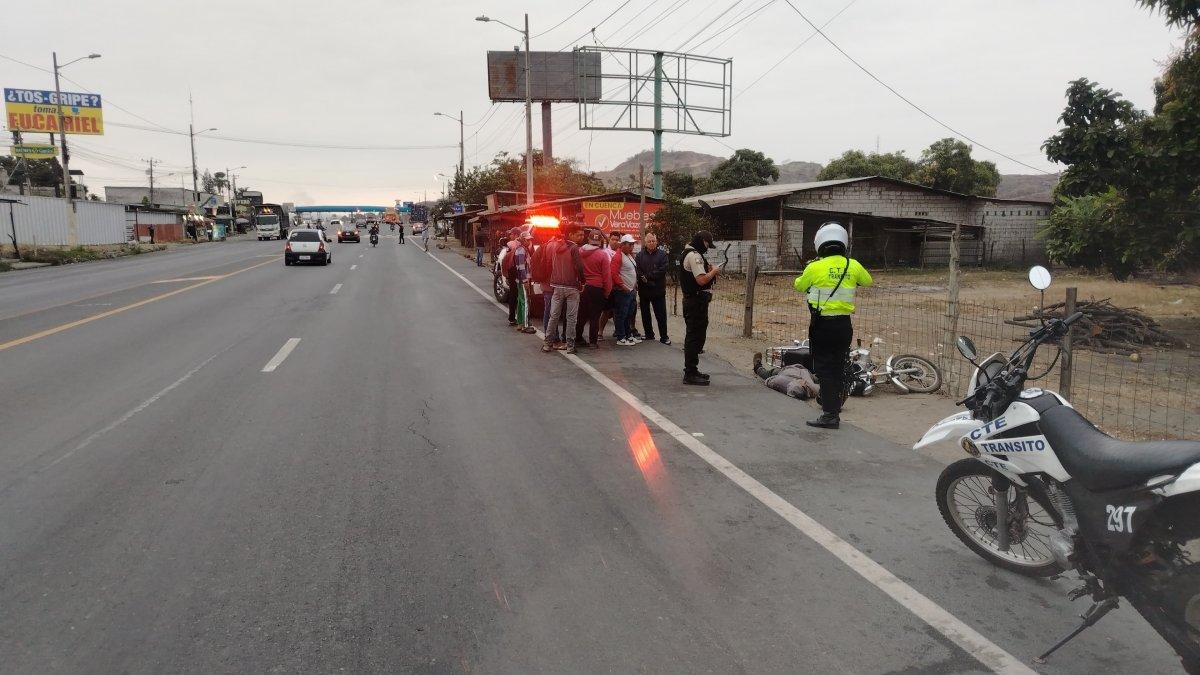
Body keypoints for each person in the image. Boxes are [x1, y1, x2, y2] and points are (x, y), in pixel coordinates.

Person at [793, 221, 873, 429]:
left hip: (822, 326)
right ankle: (834, 408)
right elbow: (867, 281)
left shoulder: (814, 267)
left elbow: (799, 285)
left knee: (825, 369)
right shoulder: (852, 265)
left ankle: (829, 415)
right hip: (844, 326)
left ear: (820, 242)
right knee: (838, 367)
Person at [679, 230, 720, 385]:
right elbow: (701, 280)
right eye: (708, 244)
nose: (707, 248)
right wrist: (714, 271)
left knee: (696, 335)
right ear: (702, 241)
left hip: (694, 301)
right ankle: (689, 373)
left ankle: (693, 369)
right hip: (695, 302)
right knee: (694, 337)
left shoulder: (688, 252)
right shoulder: (694, 255)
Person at [542, 226, 586, 355]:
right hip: (571, 286)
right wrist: (582, 281)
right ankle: (570, 345)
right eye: (578, 235)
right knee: (571, 317)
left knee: (554, 316)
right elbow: (579, 267)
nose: (581, 237)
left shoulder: (556, 246)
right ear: (570, 234)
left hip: (557, 286)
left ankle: (547, 343)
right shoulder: (574, 248)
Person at [576, 229, 611, 348]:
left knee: (581, 315)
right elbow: (606, 276)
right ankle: (593, 342)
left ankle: (578, 338)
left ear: (588, 239)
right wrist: (607, 291)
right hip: (597, 288)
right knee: (594, 316)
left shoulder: (579, 251)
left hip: (582, 287)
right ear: (600, 241)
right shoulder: (603, 255)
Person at [635, 232, 670, 344]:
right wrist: (643, 277)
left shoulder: (662, 255)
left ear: (656, 242)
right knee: (645, 314)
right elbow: (638, 270)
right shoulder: (639, 255)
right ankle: (649, 334)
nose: (651, 243)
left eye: (653, 241)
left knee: (661, 315)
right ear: (645, 243)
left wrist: (648, 277)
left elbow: (662, 270)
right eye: (649, 241)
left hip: (658, 289)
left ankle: (664, 337)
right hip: (644, 289)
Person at [609, 234, 640, 346]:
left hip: (630, 290)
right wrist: (622, 286)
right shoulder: (618, 256)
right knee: (621, 314)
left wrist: (634, 284)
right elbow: (614, 273)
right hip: (623, 291)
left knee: (628, 314)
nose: (632, 246)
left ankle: (628, 335)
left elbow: (632, 271)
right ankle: (621, 337)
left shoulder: (629, 255)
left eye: (632, 244)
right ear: (623, 245)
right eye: (630, 244)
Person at [513, 228, 537, 334]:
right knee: (525, 302)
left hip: (520, 279)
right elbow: (522, 267)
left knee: (520, 300)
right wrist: (525, 280)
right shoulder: (521, 250)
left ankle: (520, 323)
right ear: (523, 240)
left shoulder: (521, 249)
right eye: (527, 240)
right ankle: (526, 325)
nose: (529, 241)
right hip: (523, 280)